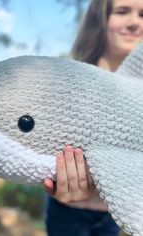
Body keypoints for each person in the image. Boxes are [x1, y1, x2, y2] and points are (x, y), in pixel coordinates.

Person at [43, 0, 143, 235]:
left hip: (113, 217)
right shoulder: (70, 80)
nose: (134, 23)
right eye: (122, 11)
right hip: (68, 214)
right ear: (99, 20)